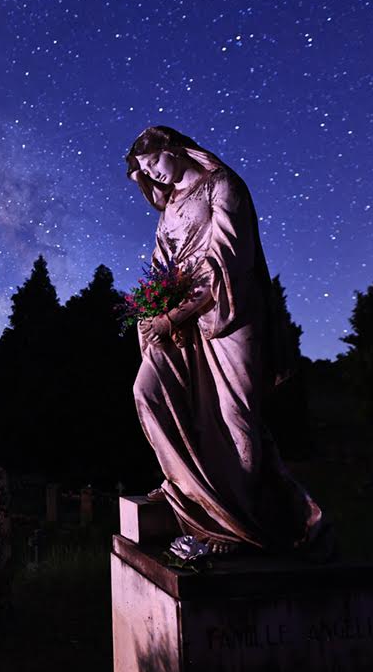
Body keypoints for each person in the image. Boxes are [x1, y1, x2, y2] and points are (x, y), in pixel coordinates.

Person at [125, 125, 334, 559]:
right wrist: (151, 316)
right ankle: (186, 486)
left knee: (235, 417)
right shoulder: (167, 213)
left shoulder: (223, 186)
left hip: (230, 315)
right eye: (145, 171)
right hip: (181, 327)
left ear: (175, 148)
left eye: (154, 163)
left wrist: (174, 314)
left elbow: (228, 262)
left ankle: (240, 524)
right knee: (149, 391)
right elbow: (162, 272)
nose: (154, 175)